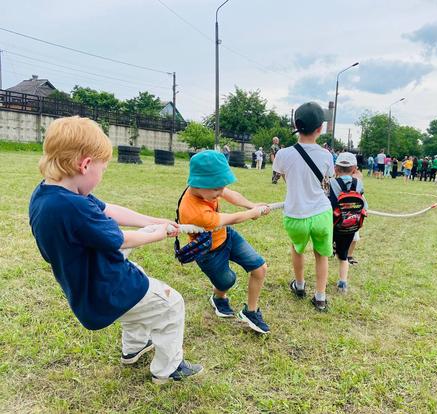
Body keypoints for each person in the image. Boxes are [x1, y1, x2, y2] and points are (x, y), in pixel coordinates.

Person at [28, 116, 202, 384]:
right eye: (103, 168)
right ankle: (168, 369)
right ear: (85, 164)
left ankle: (134, 348)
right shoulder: (74, 207)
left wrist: (154, 222)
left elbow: (108, 210)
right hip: (102, 286)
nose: (102, 174)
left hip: (85, 274)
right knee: (171, 303)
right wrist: (160, 234)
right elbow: (122, 240)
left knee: (142, 294)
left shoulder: (50, 194)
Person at [178, 151, 271, 334]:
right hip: (208, 252)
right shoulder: (192, 210)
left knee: (260, 268)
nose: (220, 193)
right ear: (197, 183)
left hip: (227, 236)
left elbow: (231, 195)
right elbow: (230, 219)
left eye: (222, 187)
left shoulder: (211, 188)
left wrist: (252, 205)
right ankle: (219, 299)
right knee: (227, 281)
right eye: (216, 189)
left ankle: (250, 312)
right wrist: (252, 214)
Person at [273, 102, 334, 312]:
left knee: (297, 249)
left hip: (295, 213)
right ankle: (320, 297)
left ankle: (299, 286)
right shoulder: (327, 155)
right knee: (321, 255)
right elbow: (326, 180)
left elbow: (283, 177)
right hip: (321, 212)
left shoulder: (282, 154)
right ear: (320, 129)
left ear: (296, 125)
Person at [328, 152, 368, 293]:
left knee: (325, 254)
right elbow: (364, 205)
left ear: (336, 169)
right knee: (344, 256)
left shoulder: (331, 183)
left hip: (333, 225)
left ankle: (322, 278)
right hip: (350, 226)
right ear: (354, 169)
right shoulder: (359, 184)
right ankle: (342, 283)